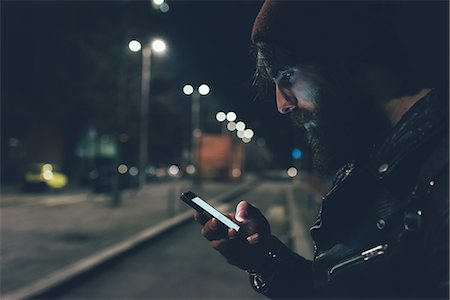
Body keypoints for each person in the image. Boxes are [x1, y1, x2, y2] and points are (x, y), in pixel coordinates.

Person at [195, 1, 449, 299]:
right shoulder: (375, 162)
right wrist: (265, 260)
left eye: (287, 76)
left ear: (345, 56)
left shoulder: (440, 179)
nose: (282, 104)